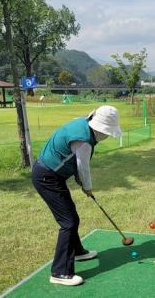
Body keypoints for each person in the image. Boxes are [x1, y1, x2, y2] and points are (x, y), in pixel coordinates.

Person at [32, 106, 122, 286]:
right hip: (46, 177)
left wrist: (80, 180)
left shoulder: (82, 124)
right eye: (107, 133)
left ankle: (78, 252)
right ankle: (60, 272)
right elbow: (83, 167)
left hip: (49, 173)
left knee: (71, 215)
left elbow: (69, 155)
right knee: (68, 222)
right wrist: (87, 186)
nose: (106, 137)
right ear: (100, 129)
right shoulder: (84, 142)